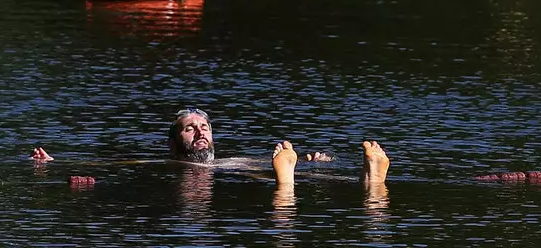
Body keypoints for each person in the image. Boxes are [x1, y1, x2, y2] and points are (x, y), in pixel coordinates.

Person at [29, 107, 392, 189]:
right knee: (273, 173)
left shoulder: (235, 159)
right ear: (174, 144)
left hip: (233, 167)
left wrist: (315, 161)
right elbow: (116, 163)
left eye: (204, 127)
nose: (200, 132)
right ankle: (371, 186)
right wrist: (58, 163)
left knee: (280, 172)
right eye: (190, 129)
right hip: (230, 171)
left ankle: (369, 179)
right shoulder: (167, 161)